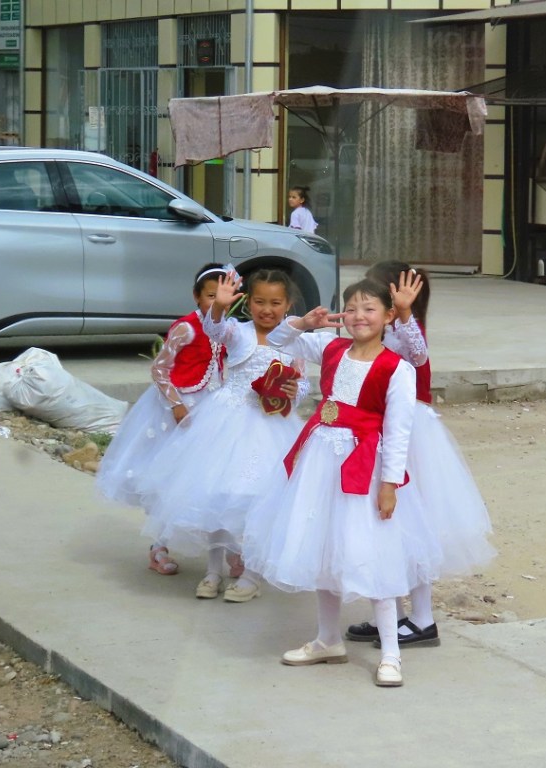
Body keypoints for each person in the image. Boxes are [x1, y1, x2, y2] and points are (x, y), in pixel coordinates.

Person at [242, 278, 442, 687]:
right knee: (323, 544)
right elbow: (279, 341)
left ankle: (391, 652)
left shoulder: (396, 368)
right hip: (321, 461)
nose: (358, 316)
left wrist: (389, 484)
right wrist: (303, 321)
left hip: (363, 465)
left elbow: (399, 430)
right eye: (351, 308)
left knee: (372, 550)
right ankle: (328, 639)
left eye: (369, 309)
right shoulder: (329, 347)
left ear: (388, 316)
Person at [344, 261, 496, 649]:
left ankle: (423, 619)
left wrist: (406, 314)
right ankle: (390, 616)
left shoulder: (408, 333)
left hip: (410, 436)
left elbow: (418, 350)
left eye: (376, 300)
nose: (366, 310)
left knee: (411, 527)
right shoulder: (370, 337)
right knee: (386, 529)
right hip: (378, 434)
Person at [135, 268, 309, 602]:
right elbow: (214, 328)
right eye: (259, 301)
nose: (267, 309)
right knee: (216, 494)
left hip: (271, 427)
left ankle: (252, 575)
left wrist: (291, 391)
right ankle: (213, 571)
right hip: (226, 422)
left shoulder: (294, 340)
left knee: (260, 500)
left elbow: (302, 383)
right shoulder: (238, 332)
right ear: (248, 304)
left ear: (287, 305)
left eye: (275, 303)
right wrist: (218, 308)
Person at [95, 263, 227, 576]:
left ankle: (222, 547)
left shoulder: (227, 328)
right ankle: (159, 544)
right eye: (210, 296)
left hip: (211, 409)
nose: (216, 303)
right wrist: (176, 404)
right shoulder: (186, 328)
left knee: (209, 478)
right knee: (167, 478)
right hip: (178, 409)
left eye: (223, 297)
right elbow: (159, 369)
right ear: (197, 296)